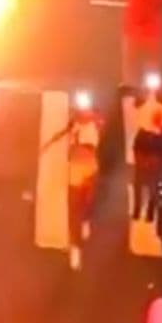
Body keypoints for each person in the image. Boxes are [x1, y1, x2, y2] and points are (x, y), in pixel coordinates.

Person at [42, 91, 101, 269]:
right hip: (75, 166)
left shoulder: (95, 121)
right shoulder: (74, 122)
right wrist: (49, 143)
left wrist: (91, 118)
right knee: (74, 206)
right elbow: (63, 132)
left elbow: (100, 123)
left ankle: (86, 220)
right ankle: (75, 247)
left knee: (88, 201)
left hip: (90, 166)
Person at [131, 74, 162, 223]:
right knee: (138, 178)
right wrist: (142, 92)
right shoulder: (148, 96)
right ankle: (137, 209)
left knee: (153, 181)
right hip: (143, 139)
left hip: (157, 142)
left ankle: (150, 210)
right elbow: (136, 103)